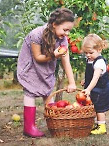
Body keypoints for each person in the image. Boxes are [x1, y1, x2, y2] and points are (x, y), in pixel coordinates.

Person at [17, 8, 76, 138]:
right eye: (65, 29)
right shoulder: (37, 34)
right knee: (30, 93)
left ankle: (53, 123)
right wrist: (53, 55)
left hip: (46, 68)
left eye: (69, 30)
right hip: (31, 67)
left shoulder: (62, 40)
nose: (67, 33)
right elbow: (37, 57)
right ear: (54, 24)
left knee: (48, 91)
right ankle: (29, 127)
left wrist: (72, 82)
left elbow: (66, 62)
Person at [81, 34, 109, 135]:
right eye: (86, 53)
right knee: (95, 106)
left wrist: (88, 88)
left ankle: (102, 127)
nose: (88, 55)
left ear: (99, 49)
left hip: (101, 89)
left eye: (90, 52)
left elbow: (95, 78)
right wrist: (85, 80)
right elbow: (90, 74)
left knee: (100, 108)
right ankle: (97, 124)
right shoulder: (90, 60)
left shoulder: (99, 62)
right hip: (96, 89)